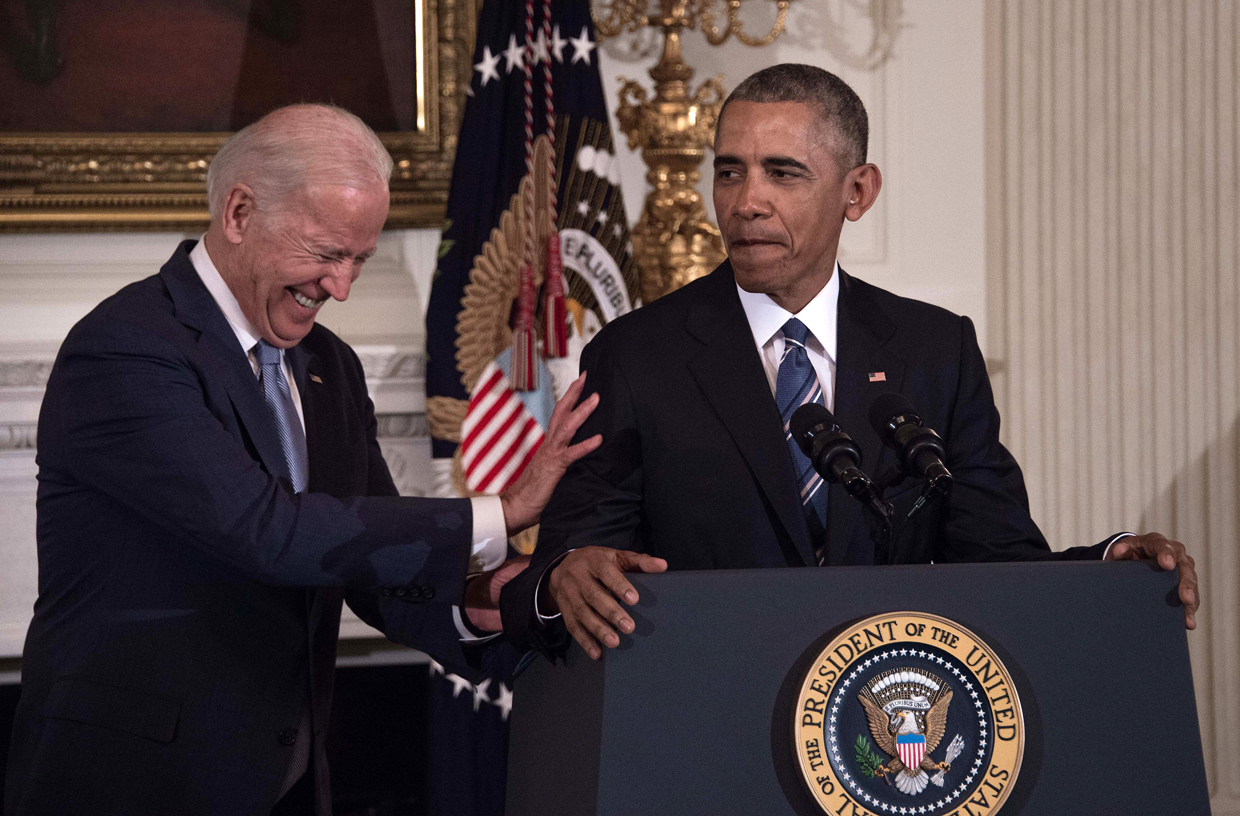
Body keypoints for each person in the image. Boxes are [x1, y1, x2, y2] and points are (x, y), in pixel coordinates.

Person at [4, 104, 600, 815]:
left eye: (360, 260)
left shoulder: (328, 364)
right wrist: (500, 512)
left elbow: (372, 565)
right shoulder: (127, 348)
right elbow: (265, 531)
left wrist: (503, 600)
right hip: (134, 784)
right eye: (325, 253)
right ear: (239, 213)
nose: (340, 287)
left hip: (285, 779)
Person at [499, 63, 1199, 662]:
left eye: (782, 173)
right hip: (705, 710)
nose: (746, 202)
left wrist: (1110, 568)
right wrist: (565, 575)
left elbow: (998, 558)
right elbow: (564, 569)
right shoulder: (636, 356)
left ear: (857, 192)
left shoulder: (934, 350)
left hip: (880, 727)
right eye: (730, 172)